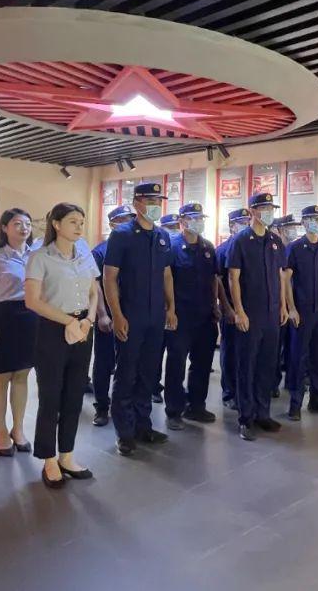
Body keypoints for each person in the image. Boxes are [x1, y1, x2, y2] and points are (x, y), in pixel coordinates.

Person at [25, 203, 99, 489]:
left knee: (74, 395)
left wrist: (88, 320)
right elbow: (32, 301)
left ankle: (67, 455)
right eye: (72, 221)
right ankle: (48, 459)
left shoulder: (84, 254)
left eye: (81, 222)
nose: (79, 227)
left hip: (82, 328)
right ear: (56, 224)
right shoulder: (40, 257)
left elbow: (94, 292)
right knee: (51, 396)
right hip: (52, 329)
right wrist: (68, 321)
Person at [103, 183, 177, 457]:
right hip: (130, 315)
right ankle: (124, 432)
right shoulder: (122, 235)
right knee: (126, 373)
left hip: (155, 316)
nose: (156, 205)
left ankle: (143, 426)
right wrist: (117, 315)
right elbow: (110, 277)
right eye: (151, 200)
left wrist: (171, 308)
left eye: (159, 200)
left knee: (148, 372)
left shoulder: (162, 236)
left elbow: (166, 274)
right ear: (137, 203)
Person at [163, 203, 231, 430]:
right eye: (194, 218)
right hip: (180, 317)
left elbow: (214, 279)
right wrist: (169, 310)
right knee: (176, 364)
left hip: (205, 316)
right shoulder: (172, 247)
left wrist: (217, 306)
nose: (198, 222)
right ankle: (174, 411)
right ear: (182, 221)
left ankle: (196, 406)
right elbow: (165, 280)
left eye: (201, 218)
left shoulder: (207, 247)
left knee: (202, 363)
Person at [227, 192, 287, 441]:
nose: (269, 212)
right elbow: (233, 278)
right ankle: (246, 418)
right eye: (264, 208)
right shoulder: (241, 241)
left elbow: (280, 276)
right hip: (250, 314)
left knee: (267, 365)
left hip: (272, 313)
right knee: (247, 366)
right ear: (252, 211)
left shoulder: (275, 241)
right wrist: (239, 311)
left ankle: (263, 413)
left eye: (271, 208)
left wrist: (283, 306)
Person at [0, 209, 37, 456]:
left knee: (22, 376)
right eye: (17, 223)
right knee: (0, 377)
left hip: (31, 318)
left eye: (27, 223)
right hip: (4, 318)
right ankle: (1, 432)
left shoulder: (37, 255)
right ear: (4, 228)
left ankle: (18, 429)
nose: (24, 228)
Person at [282, 205, 318, 421]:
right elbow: (286, 279)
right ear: (304, 223)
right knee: (298, 358)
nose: (317, 223)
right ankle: (295, 404)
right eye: (313, 219)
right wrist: (291, 308)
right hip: (302, 312)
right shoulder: (295, 248)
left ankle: (317, 399)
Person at [89, 205, 136, 427]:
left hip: (132, 314)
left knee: (129, 363)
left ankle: (126, 406)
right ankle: (101, 406)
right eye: (124, 220)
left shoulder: (135, 247)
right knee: (104, 362)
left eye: (131, 219)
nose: (129, 223)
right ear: (112, 224)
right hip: (108, 315)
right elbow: (95, 285)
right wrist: (102, 314)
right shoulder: (100, 251)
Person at [215, 208, 251, 411]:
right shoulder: (223, 250)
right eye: (242, 222)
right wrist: (228, 309)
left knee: (246, 354)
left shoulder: (250, 247)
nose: (246, 225)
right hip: (231, 310)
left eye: (247, 221)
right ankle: (229, 392)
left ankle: (244, 392)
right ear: (232, 226)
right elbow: (219, 281)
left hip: (250, 309)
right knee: (230, 352)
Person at [151, 212, 183, 404]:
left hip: (177, 308)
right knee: (156, 351)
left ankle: (174, 392)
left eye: (176, 227)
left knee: (175, 353)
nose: (174, 231)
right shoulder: (159, 247)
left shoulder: (178, 248)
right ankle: (154, 386)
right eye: (170, 227)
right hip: (158, 307)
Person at [272, 214, 301, 397]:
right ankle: (273, 383)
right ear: (280, 229)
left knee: (291, 347)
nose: (293, 230)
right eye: (290, 227)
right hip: (278, 305)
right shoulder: (275, 249)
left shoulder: (293, 248)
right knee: (275, 348)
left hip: (294, 304)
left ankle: (291, 380)